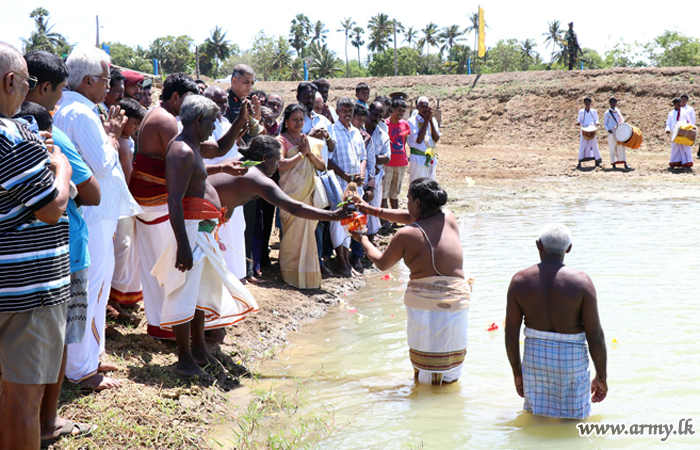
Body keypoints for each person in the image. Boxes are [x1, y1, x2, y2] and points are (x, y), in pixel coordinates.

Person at [129, 73, 247, 339]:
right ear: (176, 98)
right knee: (173, 272)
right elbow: (196, 153)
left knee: (162, 270)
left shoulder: (164, 119)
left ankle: (163, 326)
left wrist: (239, 123)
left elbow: (205, 152)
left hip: (154, 202)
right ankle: (170, 329)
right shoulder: (166, 121)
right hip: (159, 203)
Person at [22, 49, 102, 444]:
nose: (60, 99)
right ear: (42, 87)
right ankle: (47, 421)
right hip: (62, 253)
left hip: (19, 261)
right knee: (54, 345)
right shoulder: (50, 134)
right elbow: (93, 192)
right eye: (59, 91)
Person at [53, 45, 142, 391]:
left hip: (97, 213)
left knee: (99, 288)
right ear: (88, 80)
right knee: (89, 291)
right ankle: (80, 368)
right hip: (92, 213)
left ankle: (94, 354)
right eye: (105, 80)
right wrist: (113, 135)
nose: (109, 87)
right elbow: (103, 163)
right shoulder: (79, 113)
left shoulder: (82, 110)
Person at [0, 41, 73, 449]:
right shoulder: (15, 134)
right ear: (11, 81)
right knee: (23, 398)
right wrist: (60, 167)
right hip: (27, 287)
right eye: (26, 83)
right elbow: (52, 207)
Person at [154, 94, 257, 380]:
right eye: (211, 121)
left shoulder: (193, 145)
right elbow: (173, 201)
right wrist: (183, 247)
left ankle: (198, 348)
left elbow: (222, 147)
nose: (213, 127)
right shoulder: (182, 151)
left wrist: (240, 121)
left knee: (197, 292)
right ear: (198, 120)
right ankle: (184, 359)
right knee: (183, 293)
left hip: (199, 230)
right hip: (187, 231)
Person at [352, 178, 472, 385]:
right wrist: (371, 210)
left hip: (425, 305)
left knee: (426, 373)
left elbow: (382, 263)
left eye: (408, 199)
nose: (406, 203)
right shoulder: (448, 217)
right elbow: (411, 217)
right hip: (457, 302)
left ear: (417, 202)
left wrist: (362, 239)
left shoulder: (405, 234)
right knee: (449, 369)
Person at [505, 223, 608, 419]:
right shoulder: (581, 282)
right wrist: (601, 377)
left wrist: (518, 373)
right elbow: (595, 336)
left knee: (537, 418)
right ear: (569, 248)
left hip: (535, 360)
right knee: (574, 420)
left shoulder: (519, 280)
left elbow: (510, 333)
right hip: (571, 361)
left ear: (538, 245)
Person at [209, 135, 350, 244]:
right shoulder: (256, 178)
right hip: (197, 220)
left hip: (198, 219)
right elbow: (294, 208)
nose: (277, 165)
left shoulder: (236, 161)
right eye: (277, 159)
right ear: (265, 158)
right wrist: (334, 215)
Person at [276, 104, 329, 288]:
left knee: (308, 236)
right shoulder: (281, 140)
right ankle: (290, 275)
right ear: (287, 121)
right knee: (292, 236)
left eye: (301, 119)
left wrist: (308, 154)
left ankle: (308, 276)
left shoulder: (308, 140)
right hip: (290, 195)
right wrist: (300, 154)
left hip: (307, 194)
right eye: (295, 119)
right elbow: (280, 165)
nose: (299, 123)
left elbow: (321, 166)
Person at [108, 97, 147, 321]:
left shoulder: (127, 140)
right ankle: (111, 303)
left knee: (126, 249)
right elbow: (126, 172)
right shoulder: (118, 142)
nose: (135, 129)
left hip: (126, 200)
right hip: (120, 201)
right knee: (120, 248)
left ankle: (119, 299)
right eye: (133, 124)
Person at [329, 97, 367, 276]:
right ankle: (341, 262)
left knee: (352, 221)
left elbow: (363, 156)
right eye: (344, 111)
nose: (347, 114)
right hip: (339, 184)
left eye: (350, 112)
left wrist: (361, 174)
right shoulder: (332, 131)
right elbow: (327, 160)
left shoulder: (356, 132)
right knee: (339, 222)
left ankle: (348, 261)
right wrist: (345, 175)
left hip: (354, 186)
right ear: (337, 112)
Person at [363, 101, 391, 240]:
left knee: (373, 208)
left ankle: (372, 237)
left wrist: (370, 159)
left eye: (380, 116)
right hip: (359, 176)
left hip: (377, 177)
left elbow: (386, 158)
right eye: (374, 114)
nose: (376, 118)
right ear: (368, 111)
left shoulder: (383, 135)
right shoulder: (358, 131)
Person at [383, 97, 410, 215]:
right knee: (384, 193)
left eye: (403, 111)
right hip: (387, 163)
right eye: (399, 110)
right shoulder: (385, 124)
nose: (401, 113)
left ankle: (395, 218)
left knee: (395, 193)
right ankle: (384, 220)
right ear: (392, 109)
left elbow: (405, 141)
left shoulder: (405, 124)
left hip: (401, 163)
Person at [407, 96, 440, 183]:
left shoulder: (432, 120)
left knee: (430, 185)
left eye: (426, 106)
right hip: (418, 158)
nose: (425, 109)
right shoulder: (412, 121)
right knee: (417, 184)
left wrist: (430, 121)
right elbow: (418, 139)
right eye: (422, 106)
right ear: (417, 107)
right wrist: (425, 121)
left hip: (430, 158)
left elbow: (436, 138)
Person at [665, 97, 694, 168]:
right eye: (678, 104)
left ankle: (687, 163)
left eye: (680, 103)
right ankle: (674, 162)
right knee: (675, 147)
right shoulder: (671, 113)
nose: (680, 105)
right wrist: (667, 129)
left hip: (683, 132)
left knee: (685, 147)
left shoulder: (684, 111)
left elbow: (689, 121)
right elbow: (668, 123)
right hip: (675, 133)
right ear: (674, 104)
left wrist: (690, 129)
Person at [603, 97, 629, 170]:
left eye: (614, 103)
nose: (613, 104)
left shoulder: (618, 111)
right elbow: (605, 123)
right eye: (612, 103)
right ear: (610, 103)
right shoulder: (607, 113)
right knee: (612, 147)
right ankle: (613, 163)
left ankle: (624, 163)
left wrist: (622, 127)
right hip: (611, 131)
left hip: (619, 130)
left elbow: (621, 119)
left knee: (621, 146)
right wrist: (608, 130)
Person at [576, 97, 601, 168]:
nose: (587, 103)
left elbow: (596, 119)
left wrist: (597, 123)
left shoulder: (593, 111)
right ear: (584, 103)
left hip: (592, 128)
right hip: (584, 129)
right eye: (586, 102)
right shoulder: (581, 111)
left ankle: (597, 161)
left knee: (594, 145)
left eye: (588, 102)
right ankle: (580, 161)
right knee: (582, 145)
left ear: (590, 103)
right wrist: (578, 123)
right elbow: (579, 120)